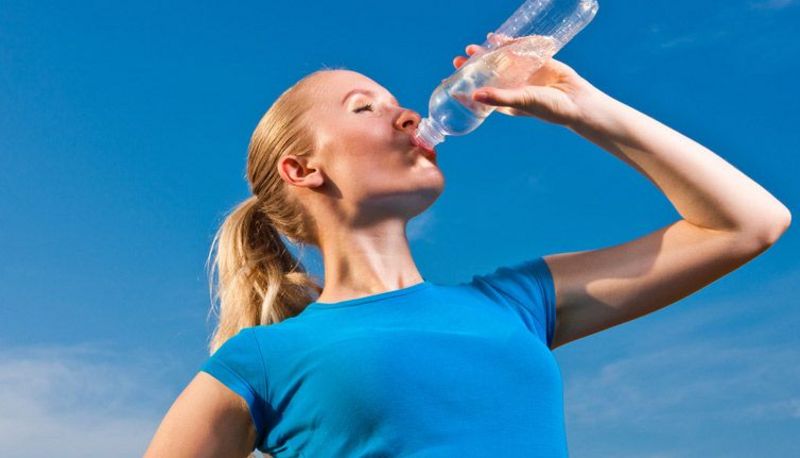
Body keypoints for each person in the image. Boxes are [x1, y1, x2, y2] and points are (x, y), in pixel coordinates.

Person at [143, 36, 791, 457]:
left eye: (398, 104)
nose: (404, 116)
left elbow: (748, 224)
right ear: (303, 170)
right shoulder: (260, 359)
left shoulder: (517, 302)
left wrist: (588, 109)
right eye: (365, 108)